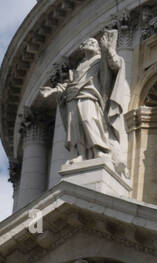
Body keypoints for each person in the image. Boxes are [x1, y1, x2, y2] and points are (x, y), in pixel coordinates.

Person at [41, 29, 129, 176]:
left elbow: (116, 65)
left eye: (92, 42)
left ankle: (99, 150)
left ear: (97, 47)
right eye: (88, 42)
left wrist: (110, 49)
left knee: (89, 120)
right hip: (72, 97)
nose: (89, 43)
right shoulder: (80, 65)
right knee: (75, 126)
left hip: (90, 95)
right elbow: (70, 84)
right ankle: (81, 154)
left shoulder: (101, 60)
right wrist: (52, 91)